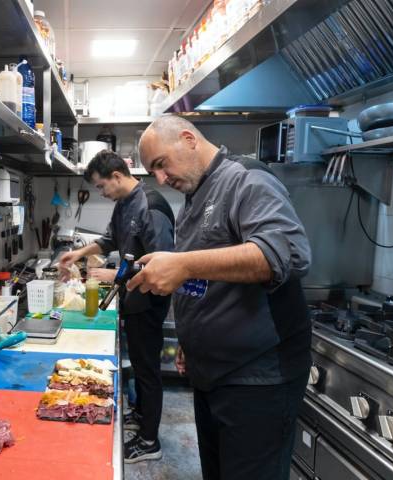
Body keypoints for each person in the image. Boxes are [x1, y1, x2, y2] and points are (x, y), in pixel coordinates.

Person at [128, 116, 312, 480]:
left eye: (161, 165)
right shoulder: (194, 199)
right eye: (153, 172)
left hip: (257, 378)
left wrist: (182, 264)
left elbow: (285, 255)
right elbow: (209, 281)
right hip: (211, 373)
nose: (161, 180)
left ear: (188, 139)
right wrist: (189, 338)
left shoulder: (246, 179)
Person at [58, 150, 175, 463]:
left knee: (148, 371)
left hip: (150, 301)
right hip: (133, 299)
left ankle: (150, 441)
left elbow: (164, 266)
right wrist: (79, 254)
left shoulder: (151, 206)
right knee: (138, 364)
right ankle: (140, 414)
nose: (101, 192)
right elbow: (110, 240)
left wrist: (115, 274)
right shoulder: (124, 204)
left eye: (101, 187)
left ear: (117, 177)